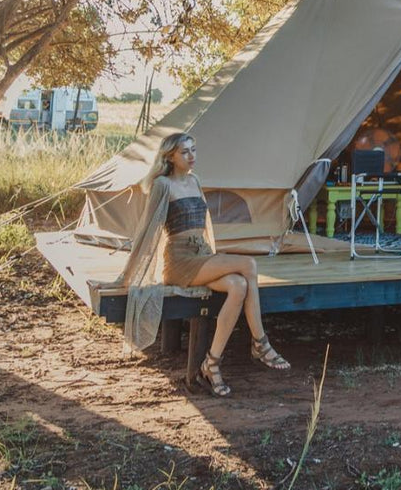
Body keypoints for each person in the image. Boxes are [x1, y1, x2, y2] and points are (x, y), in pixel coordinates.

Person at [111, 131, 290, 397]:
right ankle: (260, 343)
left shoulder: (195, 181)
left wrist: (212, 255)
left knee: (238, 284)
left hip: (202, 255)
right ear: (170, 157)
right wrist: (126, 275)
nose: (191, 156)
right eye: (185, 152)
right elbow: (147, 232)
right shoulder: (163, 185)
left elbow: (204, 229)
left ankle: (212, 363)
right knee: (249, 265)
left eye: (194, 150)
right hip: (180, 260)